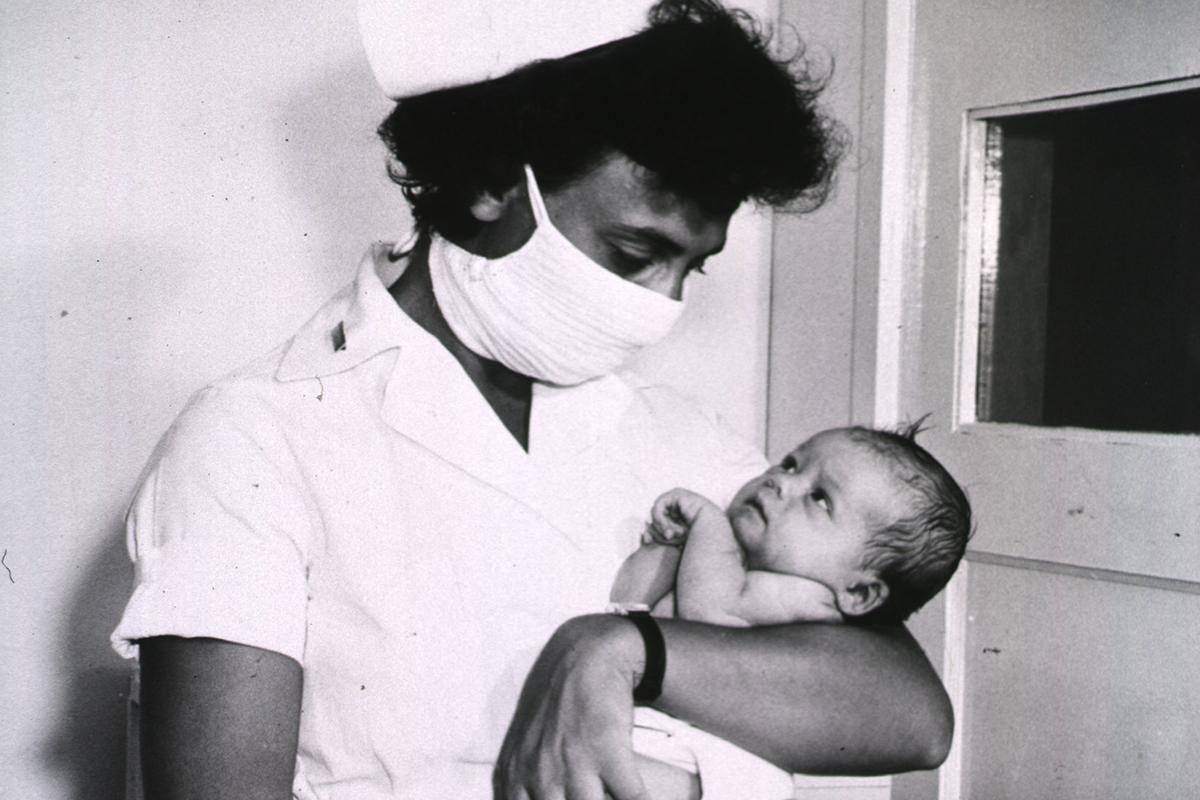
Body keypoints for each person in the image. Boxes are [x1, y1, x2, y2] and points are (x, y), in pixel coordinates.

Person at [111, 2, 955, 798]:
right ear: (490, 182)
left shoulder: (673, 432)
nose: (660, 306)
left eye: (689, 270)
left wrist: (623, 647)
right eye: (634, 255)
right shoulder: (256, 436)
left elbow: (911, 717)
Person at [610, 424, 972, 798]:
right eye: (791, 464)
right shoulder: (734, 563)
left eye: (819, 499)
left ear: (859, 592)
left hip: (712, 760)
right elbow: (625, 612)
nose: (781, 483)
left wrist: (707, 522)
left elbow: (708, 617)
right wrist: (663, 550)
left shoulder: (805, 598)